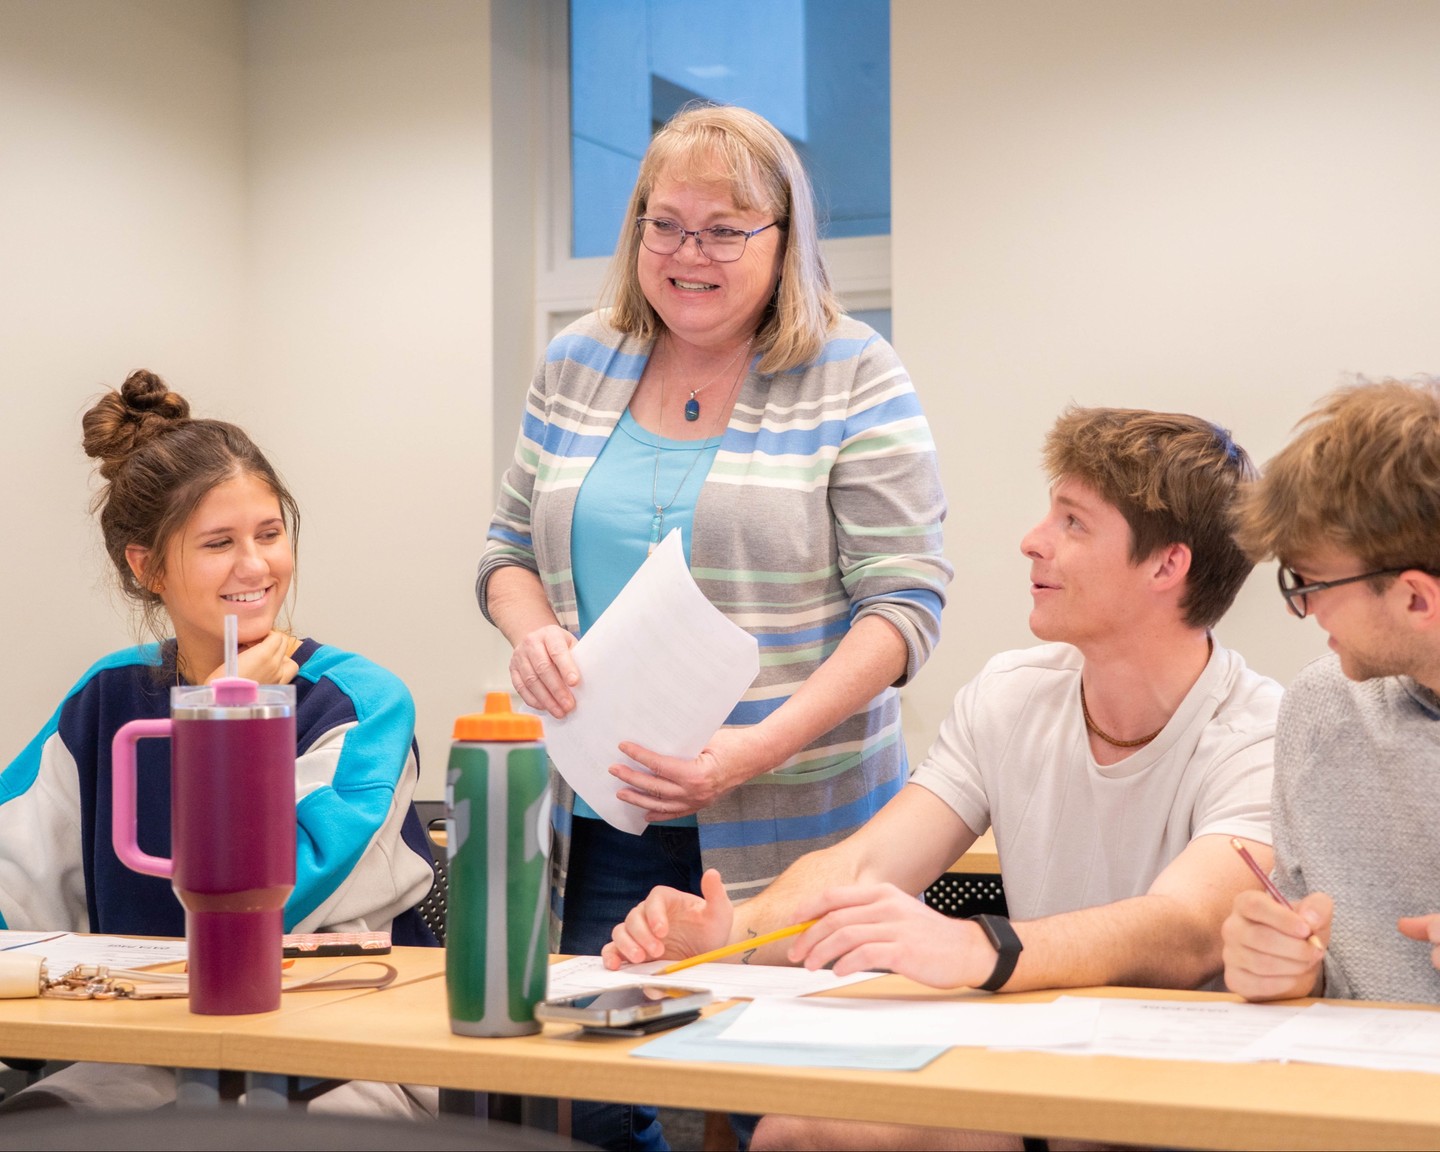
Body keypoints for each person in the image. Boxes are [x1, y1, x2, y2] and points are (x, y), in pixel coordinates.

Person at [604, 407, 1283, 1152]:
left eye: (1074, 523)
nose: (1034, 541)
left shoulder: (1261, 731)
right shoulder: (1010, 694)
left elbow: (1184, 930)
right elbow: (863, 864)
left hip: (1183, 1097)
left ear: (1166, 566)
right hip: (1036, 1071)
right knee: (794, 1133)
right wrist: (728, 934)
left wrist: (980, 950)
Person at [477, 101, 949, 1150]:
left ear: (783, 244)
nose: (690, 253)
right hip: (604, 817)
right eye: (665, 223)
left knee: (781, 1102)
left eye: (726, 230)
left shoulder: (852, 370)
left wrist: (756, 747)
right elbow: (507, 553)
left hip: (802, 820)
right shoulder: (577, 364)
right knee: (594, 1098)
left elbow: (905, 606)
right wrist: (533, 632)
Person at [0, 370, 437, 1114]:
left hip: (339, 1048)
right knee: (41, 1120)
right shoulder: (107, 696)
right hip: (154, 1038)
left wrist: (236, 714)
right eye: (218, 543)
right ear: (148, 567)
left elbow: (266, 902)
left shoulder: (361, 702)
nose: (256, 567)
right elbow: (18, 870)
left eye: (269, 535)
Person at [1221, 378, 1440, 1006]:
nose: (1305, 609)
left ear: (1415, 598)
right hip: (1340, 1089)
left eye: (1311, 583)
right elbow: (1315, 959)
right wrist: (1280, 966)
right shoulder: (1323, 706)